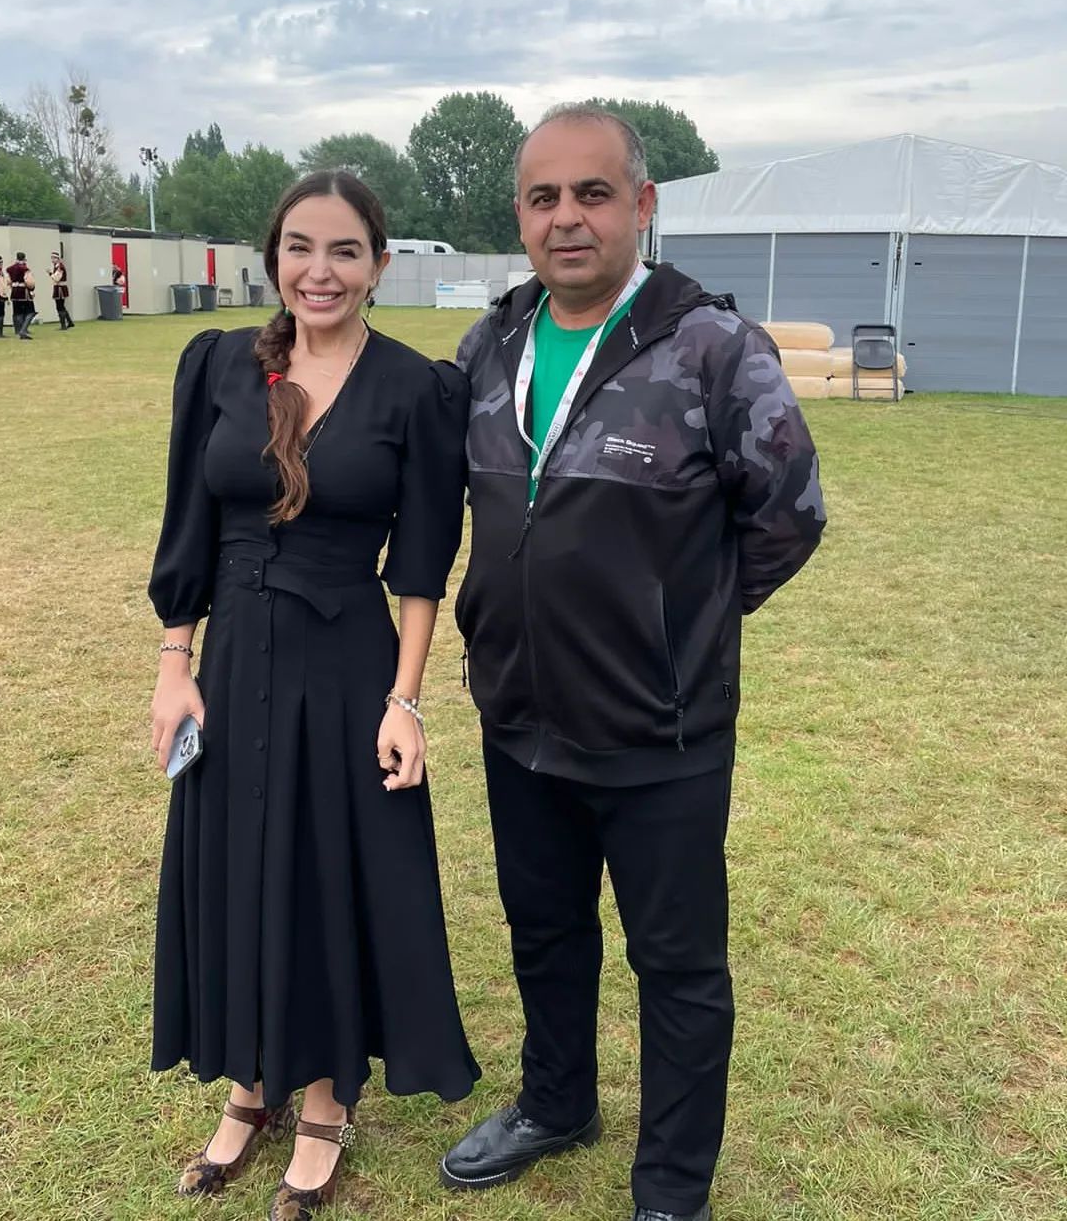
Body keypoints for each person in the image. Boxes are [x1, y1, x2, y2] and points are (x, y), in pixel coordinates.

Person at [441, 105, 826, 1221]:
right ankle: (557, 1103)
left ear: (643, 205)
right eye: (543, 197)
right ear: (521, 215)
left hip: (661, 731)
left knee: (679, 968)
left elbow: (789, 514)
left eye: (593, 193)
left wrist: (675, 625)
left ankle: (670, 1188)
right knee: (545, 930)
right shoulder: (490, 346)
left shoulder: (711, 347)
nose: (567, 218)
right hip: (519, 715)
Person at [148, 170, 479, 1221]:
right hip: (235, 663)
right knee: (241, 867)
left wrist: (405, 702)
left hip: (346, 669)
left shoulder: (416, 390)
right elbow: (187, 523)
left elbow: (421, 565)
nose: (319, 271)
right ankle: (252, 1084)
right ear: (274, 257)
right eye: (300, 247)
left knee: (328, 874)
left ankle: (328, 1101)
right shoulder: (218, 364)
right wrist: (174, 664)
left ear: (379, 264)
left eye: (344, 250)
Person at [7, 252, 35, 339]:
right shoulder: (25, 269)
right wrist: (32, 289)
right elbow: (29, 282)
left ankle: (19, 330)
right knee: (31, 312)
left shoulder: (10, 269)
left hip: (14, 292)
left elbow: (8, 281)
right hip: (23, 292)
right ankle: (23, 330)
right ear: (24, 259)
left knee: (18, 312)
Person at [49, 252, 74, 330]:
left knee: (59, 306)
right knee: (61, 306)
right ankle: (69, 322)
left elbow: (57, 278)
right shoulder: (57, 266)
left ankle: (63, 325)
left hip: (60, 288)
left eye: (54, 258)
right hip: (59, 287)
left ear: (57, 259)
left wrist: (50, 273)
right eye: (52, 258)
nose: (52, 260)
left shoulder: (60, 267)